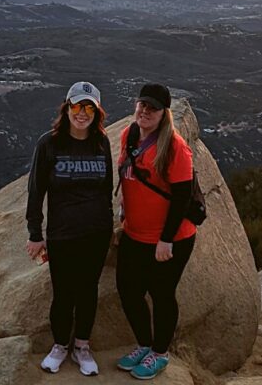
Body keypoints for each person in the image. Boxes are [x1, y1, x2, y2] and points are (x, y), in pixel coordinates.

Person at [26, 81, 113, 376]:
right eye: (77, 106)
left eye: (89, 107)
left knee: (88, 292)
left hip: (96, 233)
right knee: (63, 294)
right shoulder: (49, 144)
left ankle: (82, 348)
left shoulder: (102, 143)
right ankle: (60, 345)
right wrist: (35, 234)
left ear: (97, 113)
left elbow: (106, 189)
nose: (82, 113)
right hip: (62, 235)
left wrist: (110, 227)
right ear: (67, 108)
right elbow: (36, 191)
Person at [116, 83, 196, 380]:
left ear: (164, 114)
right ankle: (144, 344)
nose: (145, 111)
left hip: (171, 238)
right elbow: (128, 172)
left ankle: (160, 354)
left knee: (162, 294)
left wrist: (166, 240)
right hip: (134, 233)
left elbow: (182, 198)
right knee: (128, 290)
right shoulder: (129, 134)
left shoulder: (175, 147)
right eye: (142, 105)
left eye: (153, 108)